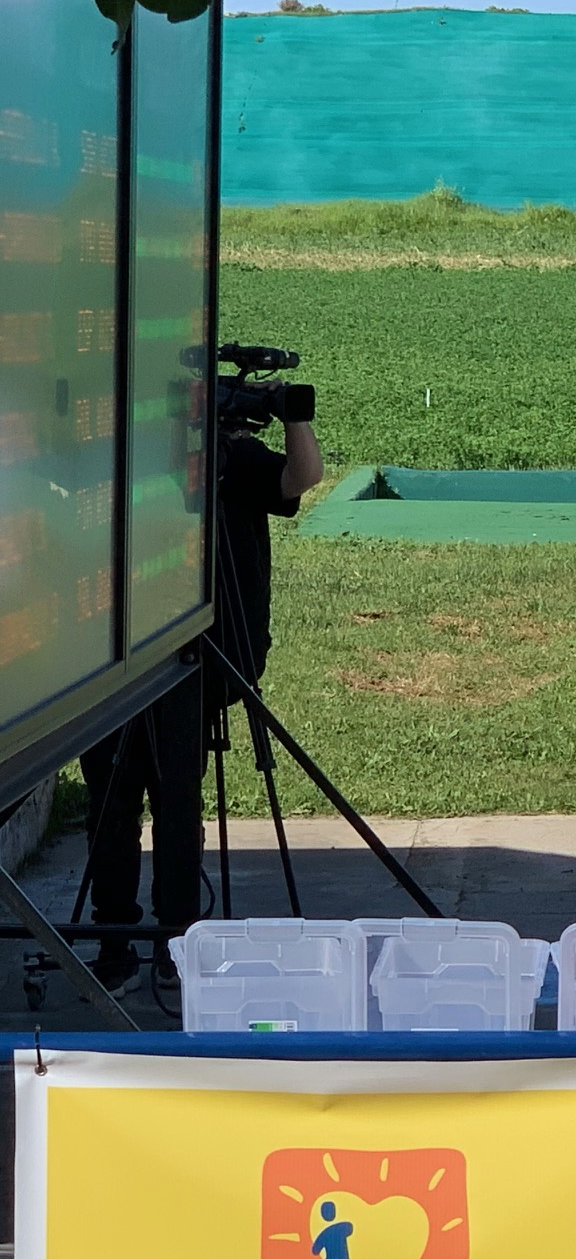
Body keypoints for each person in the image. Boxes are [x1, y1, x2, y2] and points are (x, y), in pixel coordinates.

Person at [80, 378, 322, 996]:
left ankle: (177, 943)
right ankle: (114, 942)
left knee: (177, 802)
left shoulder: (228, 458)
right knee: (110, 805)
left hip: (196, 662)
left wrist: (292, 416)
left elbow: (301, 477)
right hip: (111, 659)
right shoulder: (119, 460)